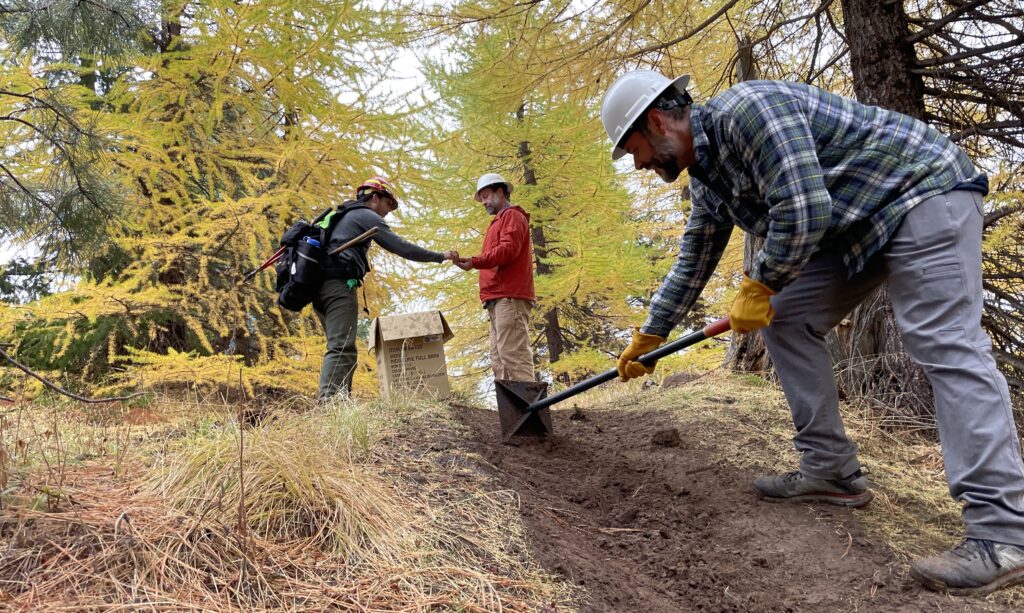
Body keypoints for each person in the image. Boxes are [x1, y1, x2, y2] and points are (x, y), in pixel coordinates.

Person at [601, 69, 1024, 595]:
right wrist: (651, 335)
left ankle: (1004, 534)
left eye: (634, 149)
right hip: (855, 228)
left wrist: (761, 284)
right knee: (789, 317)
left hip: (920, 191)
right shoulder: (708, 177)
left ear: (658, 121)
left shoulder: (748, 110)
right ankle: (830, 470)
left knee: (945, 345)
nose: (639, 164)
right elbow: (696, 257)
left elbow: (804, 208)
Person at [316, 176, 458, 399]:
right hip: (338, 286)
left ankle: (338, 401)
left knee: (339, 346)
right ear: (374, 198)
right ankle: (331, 403)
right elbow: (400, 246)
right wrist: (440, 256)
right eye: (388, 203)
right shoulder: (364, 215)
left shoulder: (343, 216)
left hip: (318, 287)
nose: (389, 210)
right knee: (342, 347)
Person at [453, 173, 536, 382]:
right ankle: (515, 413)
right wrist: (475, 262)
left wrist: (475, 262)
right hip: (498, 298)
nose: (484, 202)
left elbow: (508, 250)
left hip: (509, 297)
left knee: (514, 357)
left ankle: (532, 412)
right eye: (482, 198)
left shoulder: (512, 216)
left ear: (500, 192)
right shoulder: (499, 221)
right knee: (499, 358)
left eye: (486, 196)